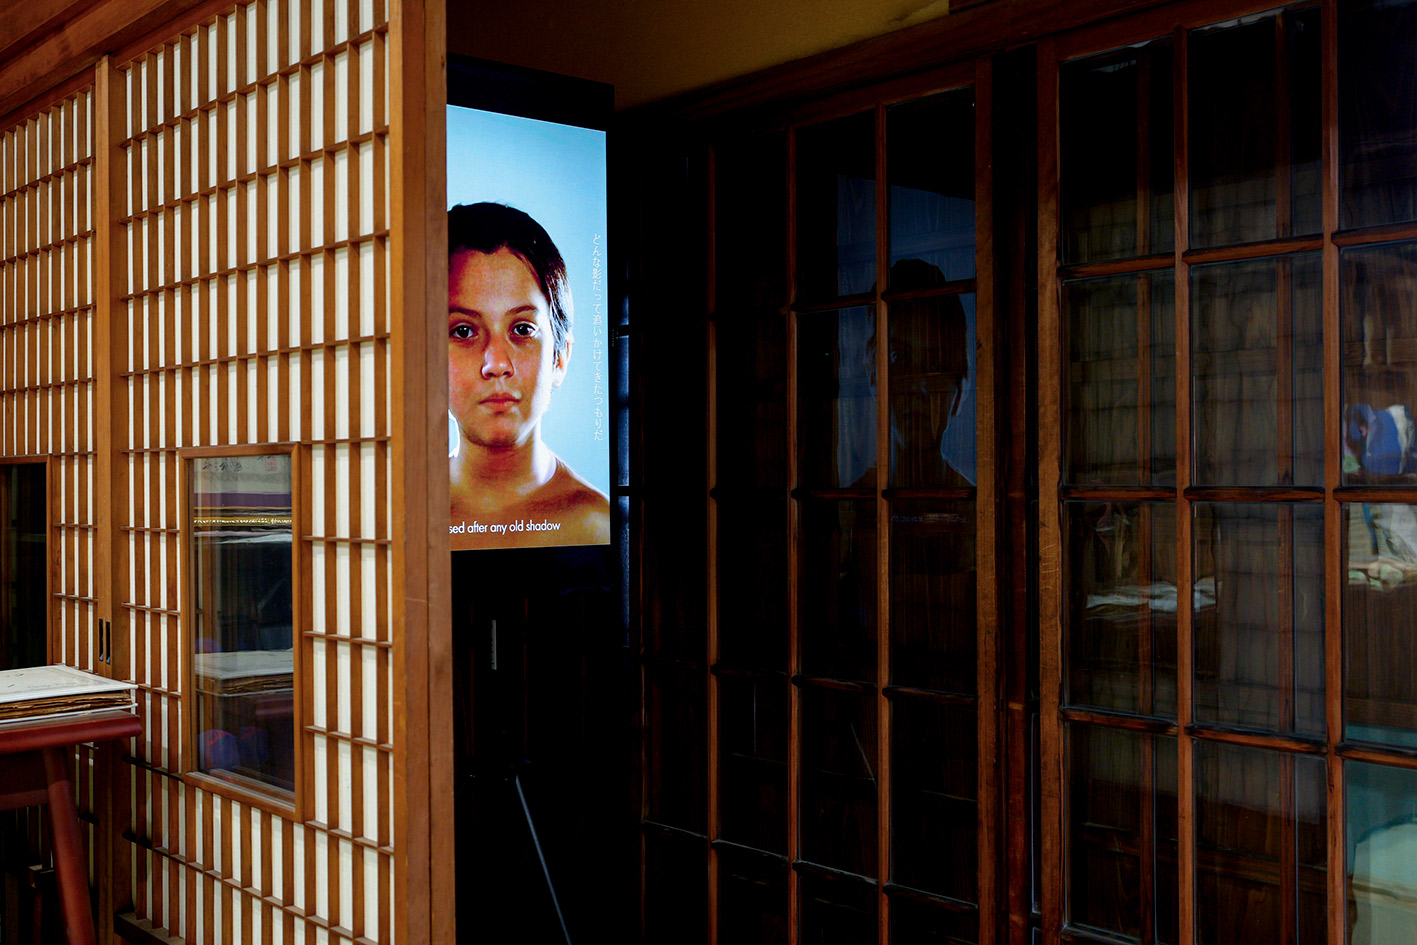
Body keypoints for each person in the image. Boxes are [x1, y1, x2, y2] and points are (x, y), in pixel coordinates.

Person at [447, 202, 610, 549]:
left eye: (522, 328)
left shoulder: (597, 525)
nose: (496, 364)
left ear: (560, 357)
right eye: (463, 331)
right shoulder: (399, 513)